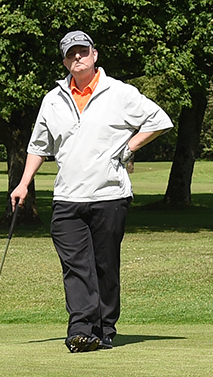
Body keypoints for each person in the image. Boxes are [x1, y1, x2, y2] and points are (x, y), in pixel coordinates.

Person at [11, 31, 171, 352]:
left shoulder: (120, 93)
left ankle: (105, 327)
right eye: (71, 54)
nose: (77, 58)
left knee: (105, 265)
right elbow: (39, 146)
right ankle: (80, 328)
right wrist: (24, 182)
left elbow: (159, 120)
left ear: (94, 55)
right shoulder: (53, 99)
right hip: (68, 198)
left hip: (110, 195)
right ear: (64, 60)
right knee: (76, 266)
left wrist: (129, 146)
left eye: (82, 52)